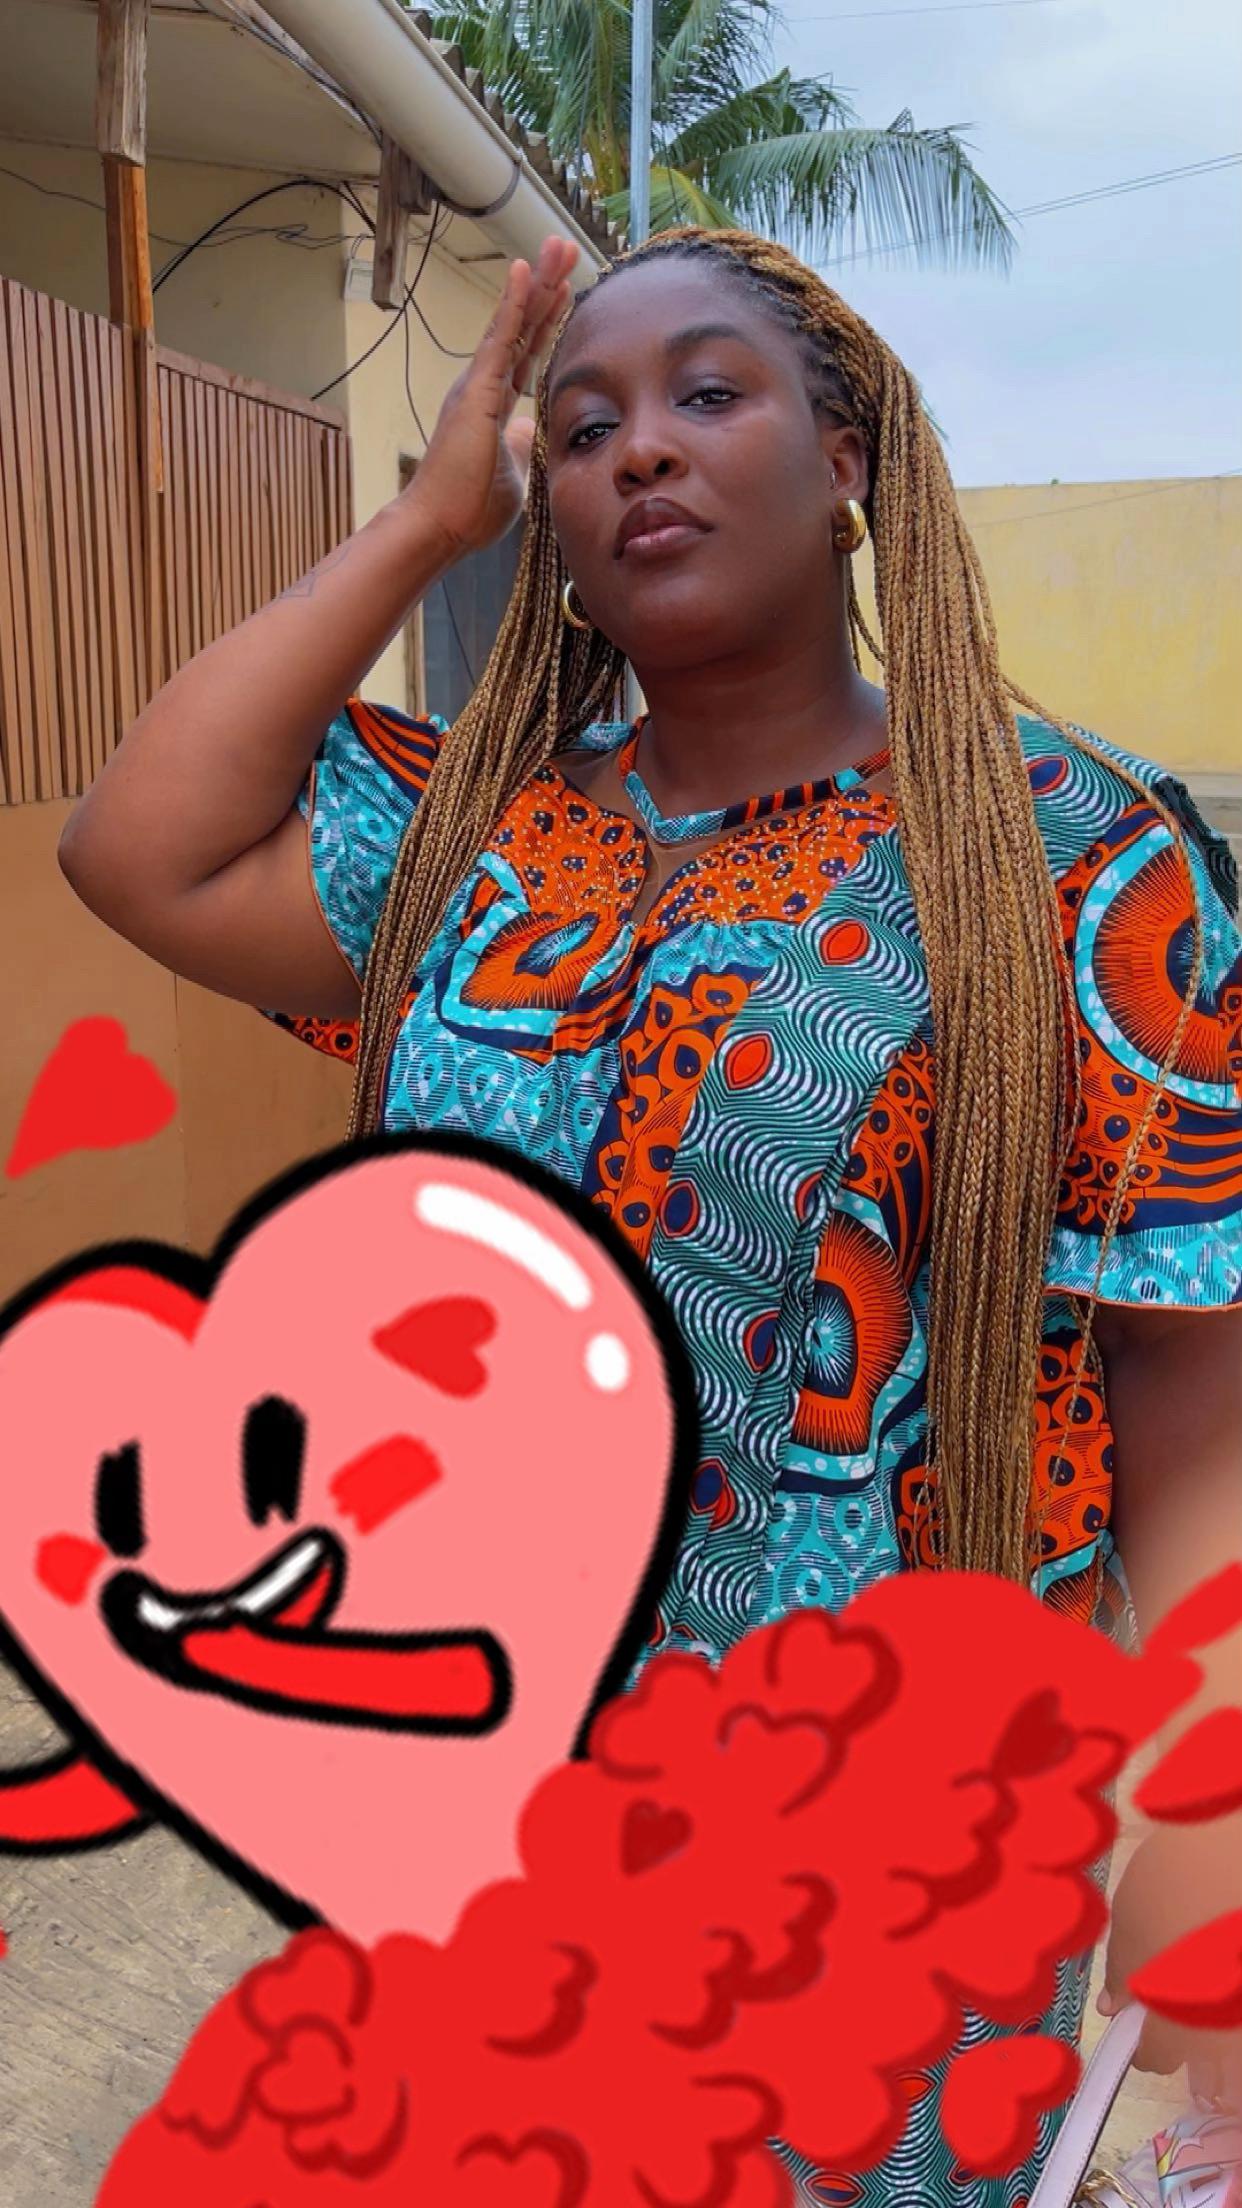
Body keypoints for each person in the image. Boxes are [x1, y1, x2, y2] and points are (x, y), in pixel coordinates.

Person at [58, 224, 1242, 2202]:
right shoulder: (482, 831)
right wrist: (427, 522)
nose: (641, 454)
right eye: (585, 426)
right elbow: (139, 851)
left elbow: (1192, 1401)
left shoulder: (1068, 861)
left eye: (706, 394)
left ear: (848, 457)